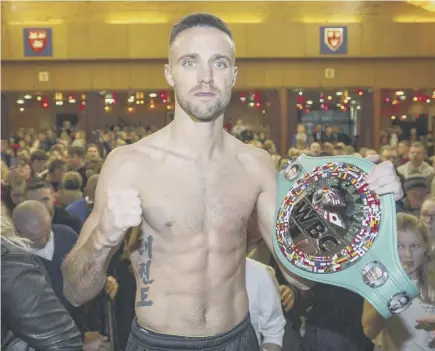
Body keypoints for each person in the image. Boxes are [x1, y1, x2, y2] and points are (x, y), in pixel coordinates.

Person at [62, 13, 403, 351]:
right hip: (158, 343)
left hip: (239, 339)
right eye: (190, 62)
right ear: (169, 73)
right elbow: (75, 291)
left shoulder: (255, 164)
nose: (206, 77)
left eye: (220, 63)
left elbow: (299, 275)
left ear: (234, 75)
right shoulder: (129, 164)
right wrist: (104, 238)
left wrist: (362, 201)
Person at [362, 213, 435, 351]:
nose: (408, 254)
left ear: (426, 248)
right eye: (399, 246)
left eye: (415, 246)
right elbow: (369, 331)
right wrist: (390, 292)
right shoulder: (377, 280)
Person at [1, 203, 83, 350]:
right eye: (35, 239)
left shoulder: (68, 235)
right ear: (17, 232)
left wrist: (88, 330)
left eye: (47, 234)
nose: (44, 242)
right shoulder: (19, 258)